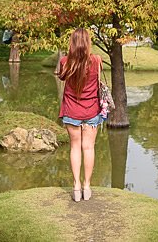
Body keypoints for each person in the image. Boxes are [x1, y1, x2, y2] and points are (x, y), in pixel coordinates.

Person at [55, 27, 105, 202]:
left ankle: (76, 187)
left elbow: (61, 77)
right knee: (89, 148)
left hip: (71, 110)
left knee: (75, 147)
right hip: (91, 110)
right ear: (88, 43)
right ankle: (87, 186)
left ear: (72, 43)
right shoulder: (97, 60)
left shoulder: (65, 62)